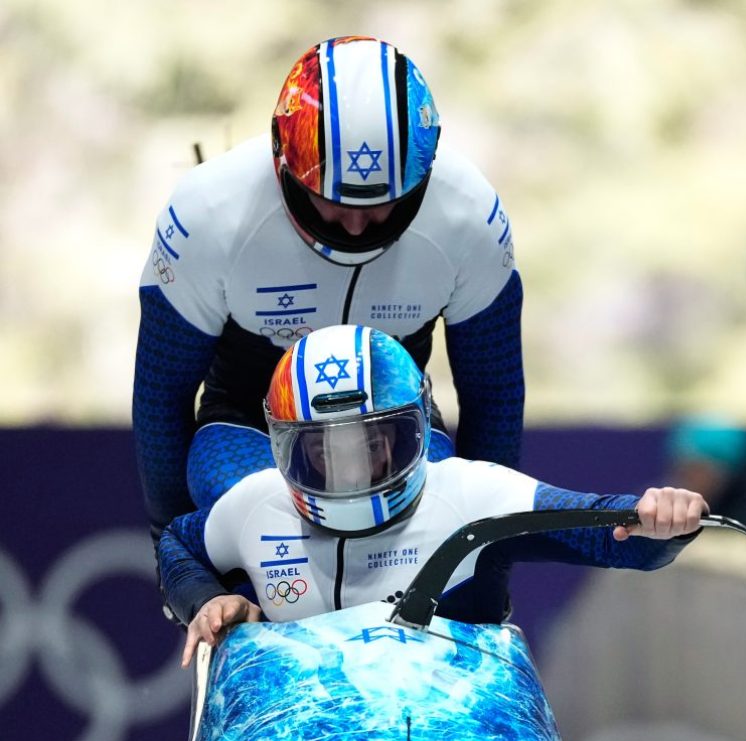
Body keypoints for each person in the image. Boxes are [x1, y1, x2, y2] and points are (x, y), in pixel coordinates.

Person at [133, 35, 526, 551]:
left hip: (397, 434)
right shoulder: (209, 213)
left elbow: (492, 396)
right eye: (334, 204)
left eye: (380, 205)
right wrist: (180, 557)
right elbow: (161, 397)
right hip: (249, 428)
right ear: (284, 165)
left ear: (422, 179)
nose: (358, 227)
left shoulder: (468, 214)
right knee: (241, 503)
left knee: (438, 504)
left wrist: (485, 560)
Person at [155, 325, 709, 666]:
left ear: (413, 432)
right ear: (286, 450)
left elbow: (615, 537)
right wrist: (203, 598)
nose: (350, 473)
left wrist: (665, 520)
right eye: (325, 451)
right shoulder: (256, 505)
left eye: (371, 445)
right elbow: (178, 544)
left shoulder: (471, 493)